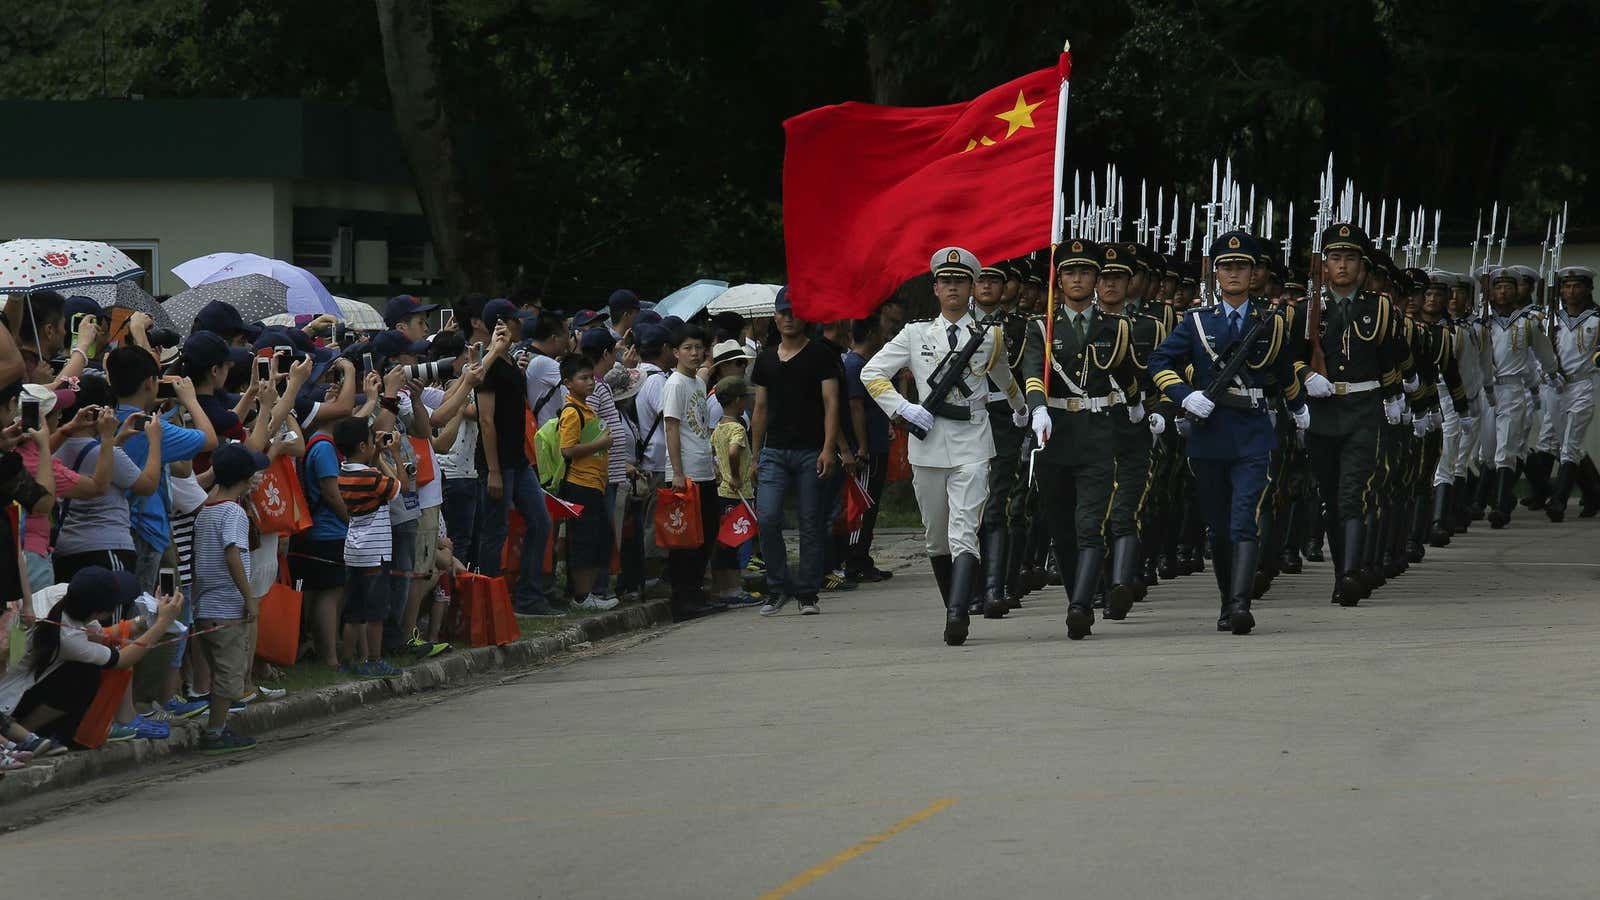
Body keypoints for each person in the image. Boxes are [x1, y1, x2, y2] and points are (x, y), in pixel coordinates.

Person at [862, 247, 1026, 644]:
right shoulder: (916, 334)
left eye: (961, 281)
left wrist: (1022, 410)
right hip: (928, 442)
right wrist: (903, 408)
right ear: (935, 288)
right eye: (946, 281)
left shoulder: (990, 335)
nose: (953, 288)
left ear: (972, 288)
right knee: (936, 535)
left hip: (972, 438)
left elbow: (1003, 376)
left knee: (964, 530)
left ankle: (958, 614)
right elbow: (872, 372)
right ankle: (954, 600)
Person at [1149, 230, 1308, 634]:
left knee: (1244, 520)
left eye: (1241, 266)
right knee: (1218, 526)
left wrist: (1298, 405)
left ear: (1254, 273)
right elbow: (1160, 362)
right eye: (1226, 267)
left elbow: (1284, 367)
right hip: (1210, 431)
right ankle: (1226, 601)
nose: (1234, 273)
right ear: (1216, 273)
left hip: (1253, 430)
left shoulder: (1271, 321)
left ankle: (1241, 604)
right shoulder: (1197, 322)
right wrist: (1185, 396)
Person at [1018, 239, 1138, 640]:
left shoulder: (1116, 327)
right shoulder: (1042, 327)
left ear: (1095, 279)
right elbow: (1034, 373)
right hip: (1053, 435)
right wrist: (1037, 408)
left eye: (1085, 272)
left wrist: (1139, 407)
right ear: (1059, 280)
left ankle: (1080, 605)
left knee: (1090, 526)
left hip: (1098, 434)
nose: (1078, 279)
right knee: (1062, 528)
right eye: (1070, 272)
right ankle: (1077, 593)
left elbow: (1128, 375)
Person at [1297, 224, 1406, 606]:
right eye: (1335, 257)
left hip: (1363, 410)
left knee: (1352, 496)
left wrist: (1393, 397)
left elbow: (1390, 356)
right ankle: (1341, 570)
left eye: (1350, 258)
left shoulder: (1379, 307)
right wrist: (1305, 375)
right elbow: (1290, 358)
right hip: (1322, 413)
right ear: (1324, 263)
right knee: (1329, 497)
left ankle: (1349, 575)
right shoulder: (1306, 308)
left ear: (1361, 265)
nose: (1342, 265)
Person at [0, 567, 182, 748]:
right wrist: (163, 623)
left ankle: (25, 733)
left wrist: (147, 619)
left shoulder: (63, 595)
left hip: (16, 684)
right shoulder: (68, 638)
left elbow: (101, 634)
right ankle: (22, 734)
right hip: (9, 700)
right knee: (86, 674)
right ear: (101, 613)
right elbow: (121, 660)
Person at [750, 287, 842, 617]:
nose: (789, 317)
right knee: (769, 516)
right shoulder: (765, 358)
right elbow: (759, 408)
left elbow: (831, 404)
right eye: (783, 312)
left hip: (810, 450)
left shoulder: (820, 355)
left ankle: (807, 592)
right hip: (774, 450)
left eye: (794, 311)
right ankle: (777, 587)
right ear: (774, 317)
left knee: (810, 522)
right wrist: (755, 455)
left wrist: (829, 448)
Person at [465, 295, 556, 615]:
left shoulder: (506, 360)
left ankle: (528, 595)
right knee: (495, 530)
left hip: (517, 458)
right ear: (501, 323)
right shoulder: (488, 365)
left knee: (540, 522)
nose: (521, 323)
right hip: (498, 462)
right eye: (514, 319)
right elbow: (486, 420)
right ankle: (490, 601)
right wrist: (493, 470)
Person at [106, 345, 219, 591]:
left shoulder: (105, 421)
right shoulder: (153, 429)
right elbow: (210, 439)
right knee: (149, 606)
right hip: (147, 529)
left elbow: (181, 469)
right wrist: (190, 400)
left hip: (114, 526)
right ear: (149, 383)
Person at [190, 442, 273, 754]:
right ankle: (215, 732)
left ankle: (218, 725)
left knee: (218, 672)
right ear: (247, 476)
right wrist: (249, 597)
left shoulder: (206, 512)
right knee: (230, 674)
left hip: (205, 605)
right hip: (226, 606)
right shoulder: (234, 513)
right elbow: (233, 555)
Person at [53, 375, 165, 581]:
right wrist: (156, 440)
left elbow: (99, 463)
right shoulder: (103, 452)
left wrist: (118, 438)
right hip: (107, 548)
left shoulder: (53, 449)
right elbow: (148, 485)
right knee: (111, 613)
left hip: (66, 549)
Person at [335, 418, 404, 677]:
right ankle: (373, 659)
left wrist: (375, 452)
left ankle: (347, 662)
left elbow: (367, 468)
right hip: (377, 552)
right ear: (362, 445)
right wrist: (395, 455)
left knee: (354, 612)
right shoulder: (372, 477)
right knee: (376, 612)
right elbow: (401, 488)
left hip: (354, 551)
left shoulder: (344, 472)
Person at [662, 324, 722, 619]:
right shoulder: (674, 384)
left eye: (699, 348)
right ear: (676, 352)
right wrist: (676, 471)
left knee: (706, 534)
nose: (695, 353)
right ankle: (682, 599)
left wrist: (713, 461)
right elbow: (671, 427)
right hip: (684, 473)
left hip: (704, 468)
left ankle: (696, 593)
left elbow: (700, 428)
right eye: (688, 348)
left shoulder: (698, 383)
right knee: (684, 541)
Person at [553, 354, 617, 611]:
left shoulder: (587, 408)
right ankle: (582, 596)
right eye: (583, 378)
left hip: (594, 483)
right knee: (584, 540)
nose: (590, 382)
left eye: (591, 377)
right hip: (580, 484)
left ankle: (588, 593)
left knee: (597, 538)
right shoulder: (572, 411)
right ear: (568, 383)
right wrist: (600, 444)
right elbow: (567, 450)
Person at [1543, 266, 1598, 521]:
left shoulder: (1596, 319)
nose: (1571, 291)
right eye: (1566, 286)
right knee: (1566, 445)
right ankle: (1595, 493)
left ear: (1588, 289)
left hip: (1583, 386)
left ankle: (1558, 502)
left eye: (1577, 286)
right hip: (1556, 388)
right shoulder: (1551, 320)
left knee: (1570, 445)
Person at [840, 317, 892, 583]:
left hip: (877, 443)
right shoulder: (854, 366)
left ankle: (863, 556)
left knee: (871, 505)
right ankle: (854, 560)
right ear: (871, 334)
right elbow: (855, 406)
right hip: (867, 448)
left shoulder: (865, 365)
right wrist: (862, 446)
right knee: (862, 506)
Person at [710, 376, 757, 606]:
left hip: (721, 492)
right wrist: (737, 476)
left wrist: (720, 472)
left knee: (723, 544)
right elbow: (732, 452)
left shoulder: (718, 427)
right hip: (737, 493)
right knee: (735, 543)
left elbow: (714, 453)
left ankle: (722, 588)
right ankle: (734, 589)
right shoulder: (737, 428)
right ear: (739, 400)